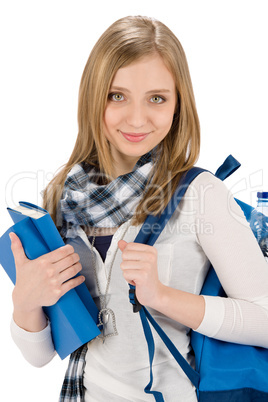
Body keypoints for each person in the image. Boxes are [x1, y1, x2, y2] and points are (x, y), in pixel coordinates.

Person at [9, 15, 268, 402]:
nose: (136, 118)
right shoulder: (63, 198)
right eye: (117, 95)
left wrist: (162, 296)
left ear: (178, 105)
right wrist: (25, 302)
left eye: (157, 98)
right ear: (94, 97)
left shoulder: (200, 194)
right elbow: (41, 355)